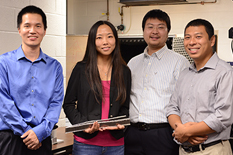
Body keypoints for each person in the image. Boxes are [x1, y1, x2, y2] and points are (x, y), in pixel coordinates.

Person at [124, 9, 190, 155]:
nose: (155, 31)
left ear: (167, 32)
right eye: (150, 27)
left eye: (160, 27)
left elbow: (186, 100)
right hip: (132, 134)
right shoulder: (133, 62)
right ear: (143, 31)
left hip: (163, 134)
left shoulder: (179, 62)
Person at [0, 5, 64, 155]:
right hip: (11, 138)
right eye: (27, 26)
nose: (32, 30)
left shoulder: (55, 67)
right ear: (19, 30)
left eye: (38, 26)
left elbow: (56, 103)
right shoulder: (3, 63)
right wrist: (27, 131)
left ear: (44, 31)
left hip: (42, 139)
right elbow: (3, 102)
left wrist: (40, 132)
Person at [63, 20, 131, 155]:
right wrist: (83, 125)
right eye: (99, 38)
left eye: (110, 36)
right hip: (86, 145)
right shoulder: (81, 69)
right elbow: (68, 104)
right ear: (92, 42)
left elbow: (125, 106)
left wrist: (121, 122)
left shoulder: (124, 71)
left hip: (116, 145)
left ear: (116, 40)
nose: (105, 42)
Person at [166, 18, 233, 155]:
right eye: (187, 37)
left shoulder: (225, 72)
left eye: (198, 37)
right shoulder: (185, 74)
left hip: (212, 150)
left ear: (212, 40)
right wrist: (181, 130)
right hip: (184, 150)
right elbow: (172, 107)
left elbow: (223, 116)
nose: (192, 42)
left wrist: (188, 131)